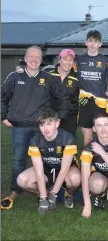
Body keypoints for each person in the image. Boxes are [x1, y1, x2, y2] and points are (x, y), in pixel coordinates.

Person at [1, 46, 72, 210]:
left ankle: (54, 188)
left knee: (49, 159)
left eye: (38, 57)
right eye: (31, 56)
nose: (34, 59)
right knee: (19, 159)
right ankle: (15, 190)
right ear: (25, 59)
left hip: (43, 128)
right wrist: (3, 116)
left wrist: (58, 118)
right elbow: (2, 97)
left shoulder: (48, 78)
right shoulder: (14, 77)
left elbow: (63, 97)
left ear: (42, 60)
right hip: (20, 127)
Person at [15, 109, 80, 214]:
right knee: (22, 180)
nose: (45, 128)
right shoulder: (35, 140)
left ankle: (68, 194)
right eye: (42, 125)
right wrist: (43, 198)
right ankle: (45, 192)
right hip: (46, 170)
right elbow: (39, 171)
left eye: (49, 124)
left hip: (65, 171)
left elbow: (64, 169)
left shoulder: (68, 138)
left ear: (57, 123)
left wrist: (54, 194)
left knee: (75, 179)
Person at [75, 30, 108, 146]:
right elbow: (62, 68)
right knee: (88, 137)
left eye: (95, 42)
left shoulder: (106, 61)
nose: (92, 44)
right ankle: (87, 162)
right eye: (90, 41)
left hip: (101, 103)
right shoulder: (78, 60)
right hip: (85, 103)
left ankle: (103, 162)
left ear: (100, 44)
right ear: (85, 42)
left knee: (104, 136)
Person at [43, 49, 80, 136]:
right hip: (50, 115)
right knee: (50, 143)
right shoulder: (48, 74)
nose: (68, 62)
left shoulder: (78, 77)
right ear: (59, 60)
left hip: (70, 117)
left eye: (71, 60)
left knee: (68, 144)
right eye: (65, 59)